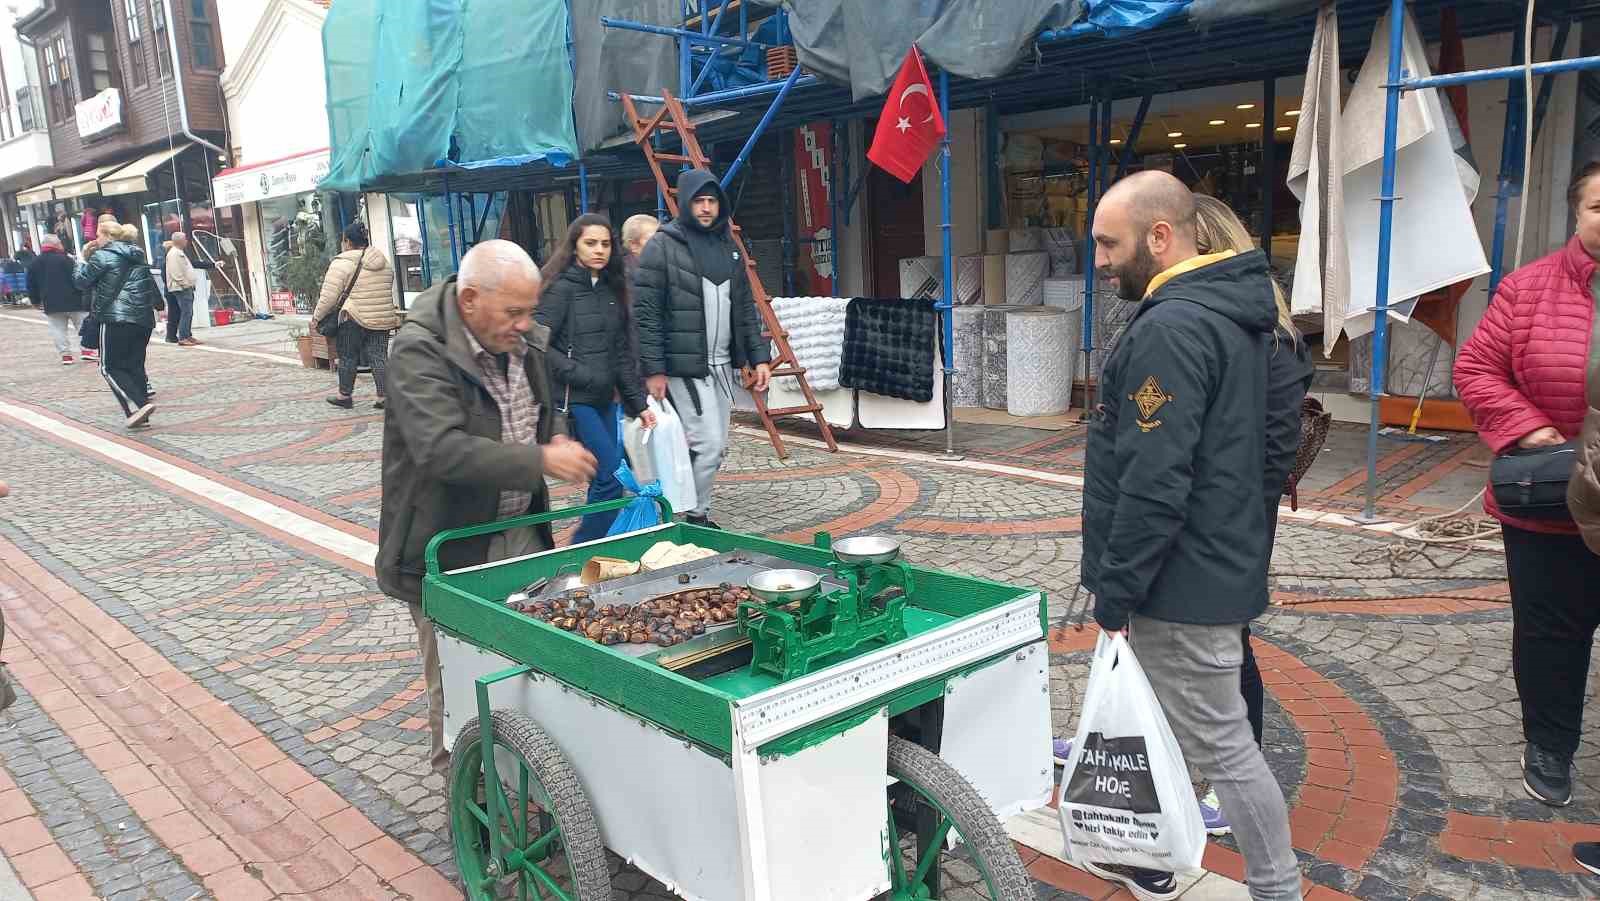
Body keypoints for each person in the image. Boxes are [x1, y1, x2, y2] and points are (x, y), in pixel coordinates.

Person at [1082, 171, 1299, 901]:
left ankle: (1276, 886)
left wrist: (1114, 592)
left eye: (1110, 244)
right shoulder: (1225, 314)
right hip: (1210, 566)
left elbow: (1154, 480)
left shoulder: (1174, 327)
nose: (1101, 261)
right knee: (1172, 730)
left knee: (1225, 746)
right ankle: (1154, 854)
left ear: (1161, 236)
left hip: (1180, 584)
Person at [377, 239, 598, 774]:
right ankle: (463, 790)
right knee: (455, 678)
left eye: (530, 311)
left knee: (523, 664)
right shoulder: (418, 349)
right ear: (470, 299)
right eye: (513, 312)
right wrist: (541, 458)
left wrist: (559, 438)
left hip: (521, 533)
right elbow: (440, 449)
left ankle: (520, 771)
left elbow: (547, 413)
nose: (524, 324)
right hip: (447, 543)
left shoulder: (524, 342)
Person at [1456, 160, 1600, 810]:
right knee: (1549, 634)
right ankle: (1549, 742)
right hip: (1550, 508)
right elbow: (1477, 367)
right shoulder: (1527, 287)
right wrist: (1530, 429)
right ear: (1577, 211)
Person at [632, 169, 771, 528]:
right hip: (684, 367)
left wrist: (759, 357)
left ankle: (696, 512)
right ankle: (686, 516)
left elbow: (744, 307)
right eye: (699, 200)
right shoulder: (662, 246)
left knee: (717, 447)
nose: (706, 208)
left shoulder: (729, 247)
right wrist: (655, 369)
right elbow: (646, 314)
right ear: (686, 203)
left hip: (722, 366)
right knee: (706, 445)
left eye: (712, 200)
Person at [536, 214, 658, 542]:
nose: (599, 250)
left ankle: (592, 546)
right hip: (574, 400)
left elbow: (621, 354)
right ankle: (582, 545)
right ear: (574, 246)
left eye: (605, 244)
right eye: (591, 243)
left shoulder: (612, 289)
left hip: (606, 400)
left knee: (605, 476)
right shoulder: (561, 290)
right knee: (610, 474)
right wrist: (579, 373)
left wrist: (639, 403)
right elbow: (537, 346)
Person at [75, 223, 163, 430]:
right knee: (134, 366)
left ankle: (138, 406)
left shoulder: (101, 256)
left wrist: (80, 263)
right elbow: (149, 284)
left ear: (107, 236)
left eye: (98, 235)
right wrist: (159, 306)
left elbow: (81, 282)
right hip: (143, 319)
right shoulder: (137, 254)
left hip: (116, 318)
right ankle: (142, 415)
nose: (96, 239)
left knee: (109, 366)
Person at [312, 222, 400, 410]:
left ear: (347, 242)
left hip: (353, 318)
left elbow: (328, 297)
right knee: (379, 356)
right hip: (381, 317)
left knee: (348, 356)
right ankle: (384, 397)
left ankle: (344, 396)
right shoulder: (384, 262)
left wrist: (317, 316)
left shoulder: (342, 263)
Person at [30, 235, 87, 365]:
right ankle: (86, 350)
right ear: (56, 245)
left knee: (57, 329)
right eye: (60, 243)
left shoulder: (35, 263)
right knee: (82, 325)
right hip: (74, 300)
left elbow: (31, 284)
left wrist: (35, 301)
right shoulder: (66, 259)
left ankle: (65, 355)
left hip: (51, 302)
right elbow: (77, 278)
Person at [165, 232, 202, 346]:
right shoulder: (174, 254)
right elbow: (176, 273)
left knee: (189, 312)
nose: (186, 241)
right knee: (186, 312)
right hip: (181, 288)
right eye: (185, 239)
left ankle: (187, 335)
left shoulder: (179, 252)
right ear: (180, 241)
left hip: (185, 287)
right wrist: (185, 284)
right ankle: (183, 337)